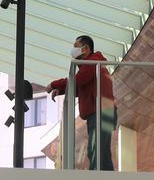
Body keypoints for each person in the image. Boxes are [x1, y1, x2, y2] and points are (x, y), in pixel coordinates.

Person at [47, 34, 117, 171]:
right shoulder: (91, 65)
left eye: (76, 46)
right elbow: (81, 88)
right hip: (103, 110)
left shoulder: (94, 62)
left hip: (102, 111)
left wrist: (54, 84)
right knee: (101, 151)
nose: (73, 49)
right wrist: (60, 90)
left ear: (85, 48)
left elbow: (78, 80)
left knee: (96, 150)